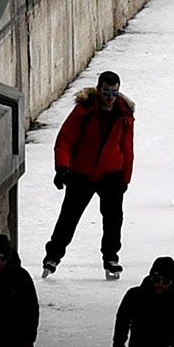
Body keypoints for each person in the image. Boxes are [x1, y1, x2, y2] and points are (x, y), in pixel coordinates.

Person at [45, 71, 138, 278]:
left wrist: (125, 177)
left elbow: (127, 148)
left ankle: (111, 258)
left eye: (114, 93)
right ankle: (53, 256)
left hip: (111, 174)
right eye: (106, 92)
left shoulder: (124, 115)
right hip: (81, 173)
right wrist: (62, 168)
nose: (110, 98)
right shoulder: (84, 110)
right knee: (69, 217)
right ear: (98, 90)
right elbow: (65, 140)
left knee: (114, 219)